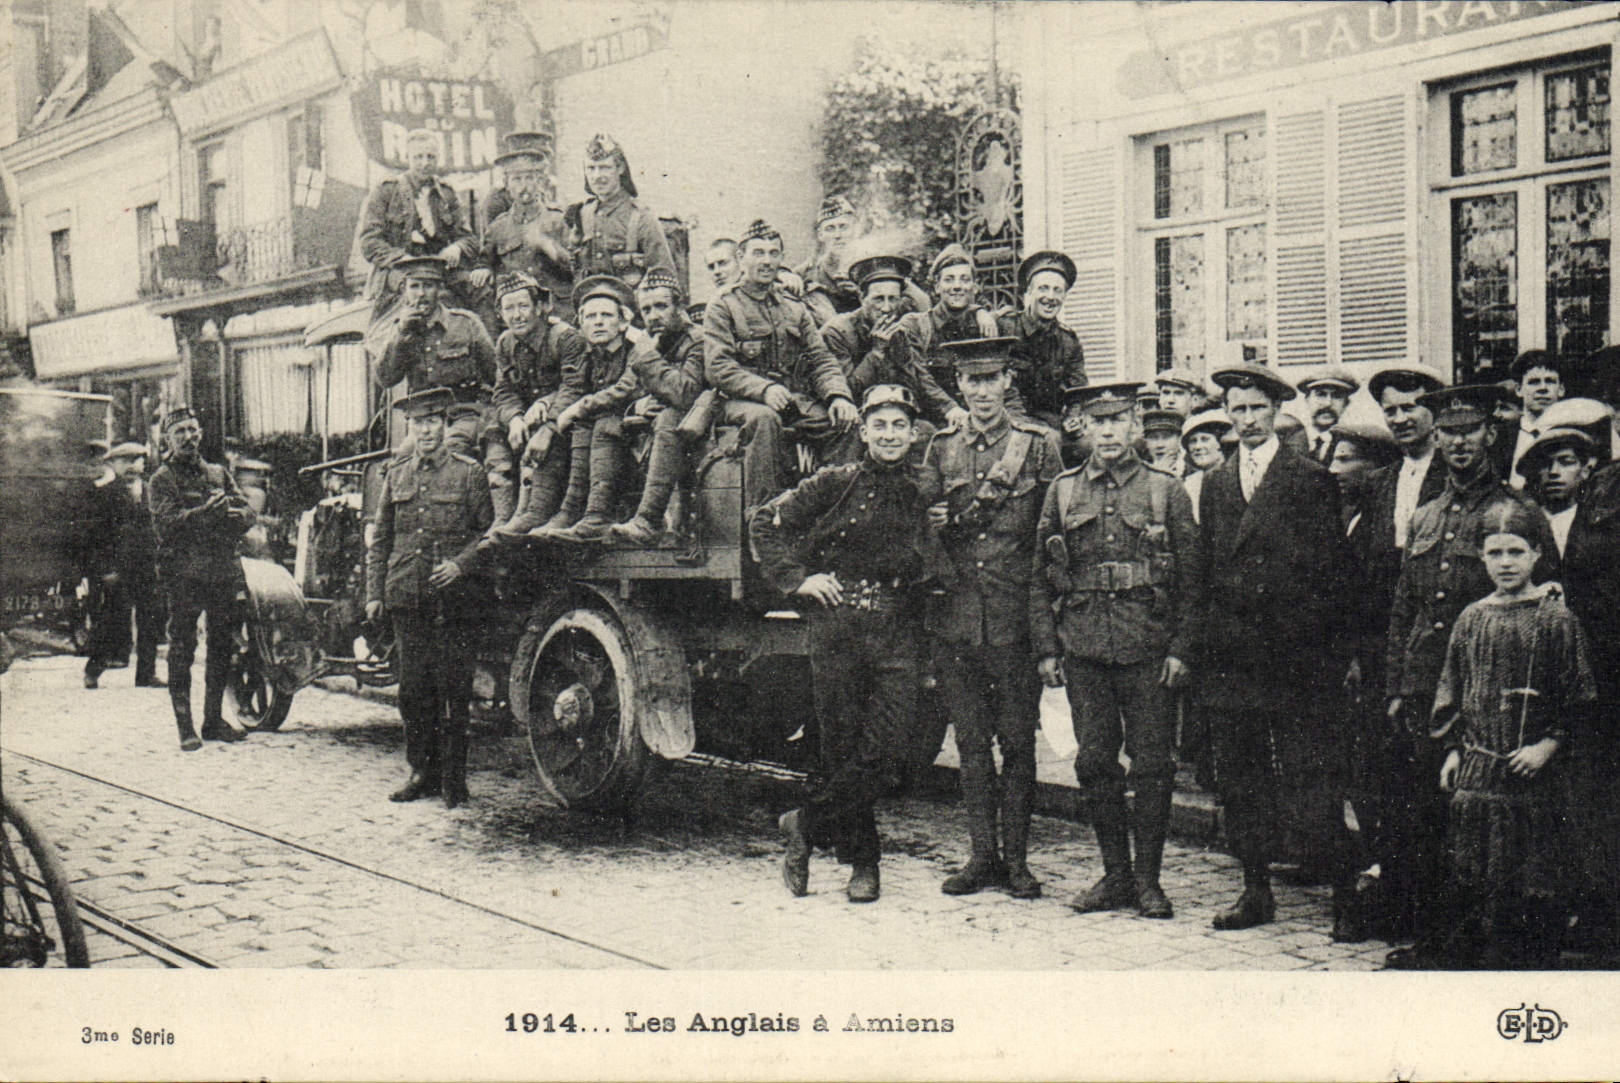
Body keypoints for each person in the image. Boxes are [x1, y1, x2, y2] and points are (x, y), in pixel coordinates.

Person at [1382, 383, 1559, 968]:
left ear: (1491, 435)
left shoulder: (1515, 512)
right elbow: (1406, 607)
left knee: (1491, 826)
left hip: (1490, 697)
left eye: (1470, 431)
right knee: (1427, 818)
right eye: (1448, 432)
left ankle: (1491, 944)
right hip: (1427, 694)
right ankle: (1437, 940)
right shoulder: (1428, 513)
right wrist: (1398, 685)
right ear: (1435, 437)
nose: (1459, 443)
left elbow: (1544, 605)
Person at [754, 385, 945, 903]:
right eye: (879, 425)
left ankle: (804, 823)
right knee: (842, 750)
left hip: (897, 628)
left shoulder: (926, 487)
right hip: (838, 629)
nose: (889, 435)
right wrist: (798, 580)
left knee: (890, 753)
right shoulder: (834, 482)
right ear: (863, 431)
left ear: (912, 433)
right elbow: (765, 523)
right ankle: (865, 865)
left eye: (899, 426)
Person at [1197, 362, 1362, 939]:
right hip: (1233, 658)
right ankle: (1255, 890)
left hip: (1294, 661)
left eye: (1255, 410)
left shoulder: (1309, 479)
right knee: (1242, 783)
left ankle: (1347, 893)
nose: (1246, 420)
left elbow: (1329, 576)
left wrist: (1324, 657)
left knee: (1310, 781)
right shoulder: (1216, 484)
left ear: (1275, 413)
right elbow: (1210, 569)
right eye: (1236, 410)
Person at [1034, 381, 1202, 920]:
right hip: (1084, 649)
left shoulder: (1164, 489)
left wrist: (1181, 647)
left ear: (1135, 426)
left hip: (1149, 650)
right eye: (1097, 421)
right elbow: (1040, 578)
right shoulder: (1061, 491)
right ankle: (1116, 874)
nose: (1108, 432)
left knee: (1153, 765)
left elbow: (1194, 581)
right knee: (1094, 763)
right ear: (1083, 427)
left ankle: (1149, 881)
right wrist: (1047, 649)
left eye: (1119, 421)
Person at [918, 337, 1063, 899]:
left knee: (1019, 746)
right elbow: (925, 531)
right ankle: (981, 857)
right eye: (972, 381)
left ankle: (1019, 863)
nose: (982, 391)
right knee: (972, 747)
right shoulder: (941, 447)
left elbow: (1053, 536)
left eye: (992, 379)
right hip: (956, 622)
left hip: (1015, 620)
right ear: (959, 386)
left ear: (1008, 383)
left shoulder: (1039, 446)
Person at [1429, 503, 1595, 968]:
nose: (1505, 562)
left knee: (1532, 876)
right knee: (1475, 873)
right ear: (1481, 558)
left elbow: (1579, 695)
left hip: (1533, 773)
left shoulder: (1556, 619)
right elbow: (1453, 689)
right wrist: (1452, 750)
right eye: (1495, 552)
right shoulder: (1471, 618)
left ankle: (1530, 966)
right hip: (1480, 768)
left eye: (1516, 551)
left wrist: (1547, 745)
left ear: (1537, 554)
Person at [364, 387, 495, 808]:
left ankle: (454, 780)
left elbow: (488, 535)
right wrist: (374, 593)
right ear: (411, 428)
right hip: (407, 595)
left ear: (445, 425)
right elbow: (381, 538)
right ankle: (422, 771)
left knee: (454, 691)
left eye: (433, 422)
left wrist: (460, 564)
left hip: (456, 601)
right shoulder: (397, 474)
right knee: (414, 691)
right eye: (418, 423)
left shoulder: (469, 473)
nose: (425, 430)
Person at [703, 219, 861, 514]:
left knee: (846, 424)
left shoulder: (793, 306)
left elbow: (820, 358)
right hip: (739, 401)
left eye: (774, 253)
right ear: (741, 258)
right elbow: (718, 366)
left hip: (791, 399)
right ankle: (761, 520)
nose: (767, 261)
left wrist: (838, 396)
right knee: (764, 420)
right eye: (758, 253)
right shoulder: (723, 306)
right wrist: (763, 389)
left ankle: (835, 513)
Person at [519, 276, 663, 542]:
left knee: (600, 424)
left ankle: (598, 515)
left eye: (607, 316)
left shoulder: (637, 347)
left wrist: (580, 407)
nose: (598, 322)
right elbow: (570, 385)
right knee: (579, 427)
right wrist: (547, 403)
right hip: (600, 429)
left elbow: (628, 387)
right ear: (581, 325)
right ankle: (570, 511)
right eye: (591, 317)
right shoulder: (587, 354)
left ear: (623, 322)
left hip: (635, 429)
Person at [149, 407, 256, 751]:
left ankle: (213, 721)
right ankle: (185, 727)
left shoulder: (217, 473)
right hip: (184, 577)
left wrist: (237, 515)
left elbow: (247, 510)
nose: (187, 437)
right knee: (182, 649)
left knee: (222, 646)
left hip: (222, 573)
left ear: (201, 433)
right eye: (179, 431)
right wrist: (206, 514)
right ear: (167, 439)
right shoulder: (161, 480)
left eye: (192, 430)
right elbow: (166, 525)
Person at [366, 256, 505, 516]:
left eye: (428, 286)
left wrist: (490, 416)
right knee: (399, 466)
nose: (421, 294)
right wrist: (402, 335)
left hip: (464, 413)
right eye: (415, 286)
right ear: (405, 290)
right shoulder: (400, 330)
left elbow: (497, 376)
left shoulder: (466, 324)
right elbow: (385, 378)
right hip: (424, 420)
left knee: (447, 452)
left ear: (439, 289)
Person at [608, 270, 709, 545]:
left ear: (679, 307)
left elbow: (686, 393)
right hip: (658, 432)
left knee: (669, 417)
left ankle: (648, 520)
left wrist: (648, 357)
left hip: (701, 427)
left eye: (662, 307)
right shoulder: (652, 343)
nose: (653, 316)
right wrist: (638, 406)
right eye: (647, 309)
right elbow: (627, 388)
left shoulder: (697, 340)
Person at [486, 272, 590, 536]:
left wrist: (549, 423)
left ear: (540, 307)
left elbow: (574, 386)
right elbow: (503, 391)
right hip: (530, 417)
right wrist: (514, 419)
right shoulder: (505, 343)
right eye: (508, 308)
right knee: (493, 431)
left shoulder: (564, 337)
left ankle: (536, 512)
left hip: (563, 416)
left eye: (523, 306)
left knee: (549, 434)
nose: (516, 315)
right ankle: (504, 516)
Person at [823, 255, 965, 432]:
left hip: (895, 413)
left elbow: (917, 383)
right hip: (853, 417)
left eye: (893, 299)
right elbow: (845, 391)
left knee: (927, 431)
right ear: (861, 297)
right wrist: (876, 353)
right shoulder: (838, 332)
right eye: (878, 299)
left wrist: (950, 409)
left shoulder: (899, 330)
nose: (887, 308)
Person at [358, 128, 478, 321]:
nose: (425, 163)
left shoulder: (446, 194)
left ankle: (490, 346)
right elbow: (369, 242)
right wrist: (400, 258)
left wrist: (456, 248)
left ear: (437, 158)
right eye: (418, 157)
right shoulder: (387, 192)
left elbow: (470, 238)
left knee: (480, 289)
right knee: (423, 299)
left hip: (440, 270)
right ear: (407, 158)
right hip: (398, 270)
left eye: (431, 157)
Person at [81, 442, 163, 690]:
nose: (130, 466)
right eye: (124, 461)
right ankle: (93, 670)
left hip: (148, 567)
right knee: (111, 619)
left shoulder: (152, 491)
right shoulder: (103, 493)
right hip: (118, 569)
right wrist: (105, 569)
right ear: (113, 464)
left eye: (136, 460)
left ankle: (146, 674)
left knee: (149, 619)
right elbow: (95, 537)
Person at [477, 142, 574, 323]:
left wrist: (548, 246)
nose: (524, 186)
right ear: (507, 185)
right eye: (517, 179)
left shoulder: (559, 220)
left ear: (539, 182)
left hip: (557, 311)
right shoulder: (498, 227)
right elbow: (484, 262)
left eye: (529, 178)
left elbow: (576, 267)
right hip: (517, 316)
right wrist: (482, 269)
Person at [565, 133, 675, 288]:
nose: (597, 176)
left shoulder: (641, 217)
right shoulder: (583, 215)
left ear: (620, 168)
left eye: (604, 168)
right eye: (591, 168)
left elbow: (664, 277)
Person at [998, 251, 1086, 432]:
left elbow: (1078, 391)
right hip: (1007, 419)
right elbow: (1002, 387)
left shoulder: (1068, 341)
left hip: (1050, 421)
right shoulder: (1006, 329)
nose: (1051, 297)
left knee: (1088, 444)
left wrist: (1073, 417)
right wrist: (1023, 424)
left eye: (1058, 290)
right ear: (1029, 292)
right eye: (1043, 288)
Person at [896, 244, 1001, 383]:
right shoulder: (916, 325)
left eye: (964, 279)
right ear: (937, 287)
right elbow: (921, 381)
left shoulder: (988, 325)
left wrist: (980, 311)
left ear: (975, 287)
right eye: (949, 279)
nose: (957, 286)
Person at [1519, 427, 1598, 558]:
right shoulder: (1525, 522)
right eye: (1544, 464)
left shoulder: (1596, 524)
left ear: (1585, 470)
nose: (1554, 472)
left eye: (1566, 462)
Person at [1507, 349, 1568, 486]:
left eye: (1550, 381)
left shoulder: (1571, 435)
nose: (1543, 388)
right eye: (1534, 382)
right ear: (1519, 389)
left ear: (1561, 389)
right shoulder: (1502, 437)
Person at [1297, 367, 1361, 464]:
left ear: (1346, 404)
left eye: (1337, 396)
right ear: (1307, 400)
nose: (1328, 403)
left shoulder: (1356, 446)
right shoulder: (1287, 443)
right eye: (1320, 394)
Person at [1178, 409, 1231, 524]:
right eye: (1193, 441)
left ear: (1220, 443)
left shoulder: (1236, 475)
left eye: (1205, 439)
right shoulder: (1190, 484)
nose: (1197, 447)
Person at [1139, 409, 1184, 475]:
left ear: (1179, 439)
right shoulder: (1139, 471)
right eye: (1153, 438)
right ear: (1145, 441)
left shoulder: (1191, 470)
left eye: (1166, 437)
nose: (1160, 445)